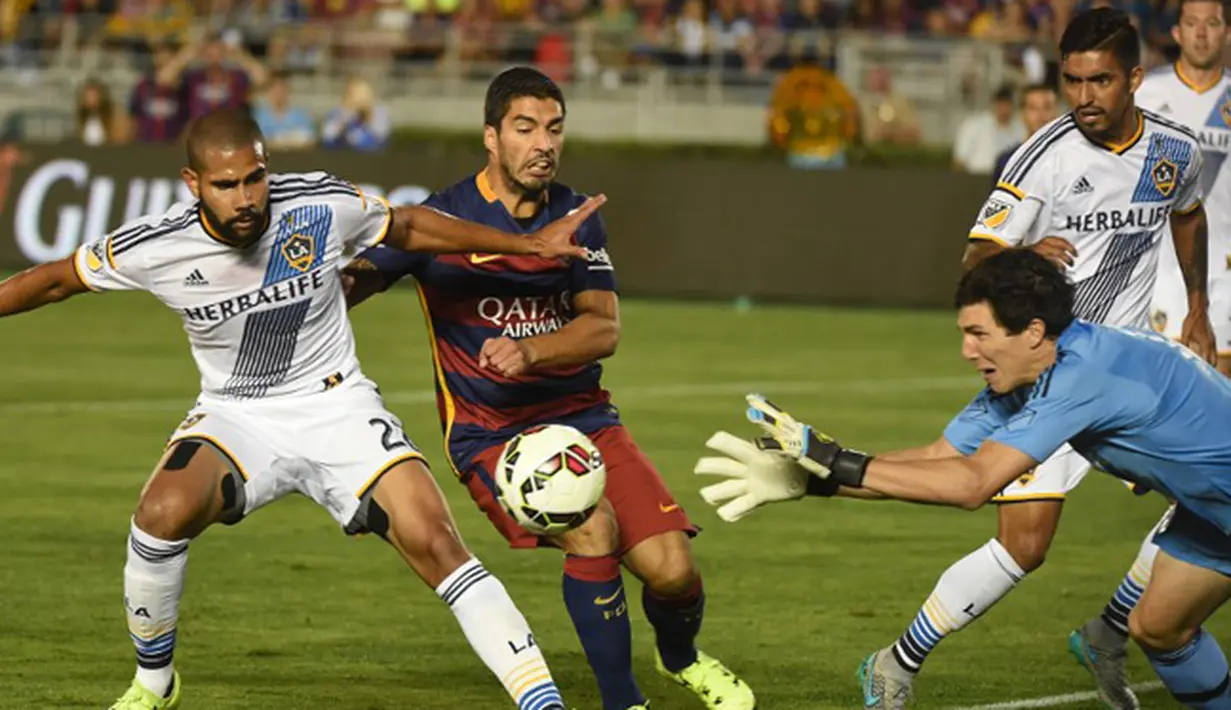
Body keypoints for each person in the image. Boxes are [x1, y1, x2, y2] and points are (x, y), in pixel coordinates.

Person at [0, 107, 601, 710]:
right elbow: (56, 279)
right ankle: (154, 685)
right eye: (226, 184)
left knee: (438, 542)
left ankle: (542, 703)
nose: (245, 198)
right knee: (159, 515)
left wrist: (525, 243)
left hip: (337, 403)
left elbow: (411, 228)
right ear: (193, 184)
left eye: (255, 178)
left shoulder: (319, 203)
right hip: (236, 414)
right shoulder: (158, 245)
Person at [342, 67, 756, 710]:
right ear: (491, 137)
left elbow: (603, 328)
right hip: (491, 435)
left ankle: (681, 657)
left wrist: (530, 350)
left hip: (584, 417)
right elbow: (349, 288)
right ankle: (624, 702)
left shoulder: (576, 215)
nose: (544, 144)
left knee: (674, 572)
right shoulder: (440, 219)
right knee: (592, 529)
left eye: (554, 129)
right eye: (526, 128)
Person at [846, 7, 1218, 709]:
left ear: (1133, 79)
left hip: (1125, 375)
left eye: (1098, 81)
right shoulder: (1044, 155)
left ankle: (1111, 630)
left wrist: (1195, 306)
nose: (1082, 96)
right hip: (1049, 371)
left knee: (1198, 490)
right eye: (1070, 79)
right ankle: (896, 661)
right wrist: (1020, 249)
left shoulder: (1173, 151)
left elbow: (1187, 213)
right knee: (1024, 542)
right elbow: (975, 256)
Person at [694, 247, 1231, 710]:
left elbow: (973, 484)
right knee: (1158, 626)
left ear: (1033, 331)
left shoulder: (1081, 377)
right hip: (1210, 512)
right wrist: (815, 478)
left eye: (978, 334)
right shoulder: (1034, 371)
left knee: (1159, 624)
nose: (966, 351)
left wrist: (834, 459)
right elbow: (938, 459)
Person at [1135, 0, 1231, 375]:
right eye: (1192, 23)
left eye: (1212, 23)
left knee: (1222, 390)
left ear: (1226, 32)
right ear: (1177, 33)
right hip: (1160, 269)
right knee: (1160, 387)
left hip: (1225, 265)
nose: (1202, 33)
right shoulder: (1144, 94)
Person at [990, 82, 1061, 185]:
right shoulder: (1008, 161)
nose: (1040, 115)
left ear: (1057, 112)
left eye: (1047, 107)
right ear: (1022, 114)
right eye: (1033, 108)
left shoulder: (1071, 159)